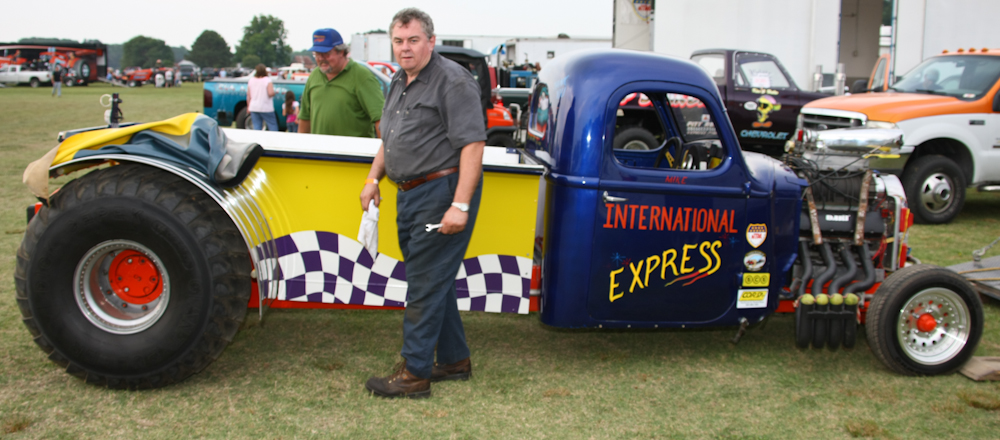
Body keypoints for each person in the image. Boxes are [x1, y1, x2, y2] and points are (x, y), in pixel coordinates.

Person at [360, 7, 486, 399]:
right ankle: (454, 360)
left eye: (413, 40)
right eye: (398, 41)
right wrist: (373, 178)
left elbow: (473, 145)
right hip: (410, 192)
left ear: (431, 41)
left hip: (442, 191)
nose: (405, 48)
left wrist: (460, 206)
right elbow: (390, 138)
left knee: (424, 283)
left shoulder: (453, 81)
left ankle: (415, 373)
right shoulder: (399, 80)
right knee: (432, 278)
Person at [299, 28, 384, 137]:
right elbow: (305, 117)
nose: (321, 58)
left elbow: (381, 119)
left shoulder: (362, 76)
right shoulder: (314, 76)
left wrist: (384, 147)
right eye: (317, 54)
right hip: (319, 148)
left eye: (326, 54)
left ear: (341, 52)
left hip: (353, 148)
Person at [247, 64, 278, 131]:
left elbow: (249, 95)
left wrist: (248, 106)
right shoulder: (267, 80)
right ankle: (275, 137)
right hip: (266, 107)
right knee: (272, 125)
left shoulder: (251, 80)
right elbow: (270, 93)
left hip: (254, 107)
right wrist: (274, 93)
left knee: (257, 127)